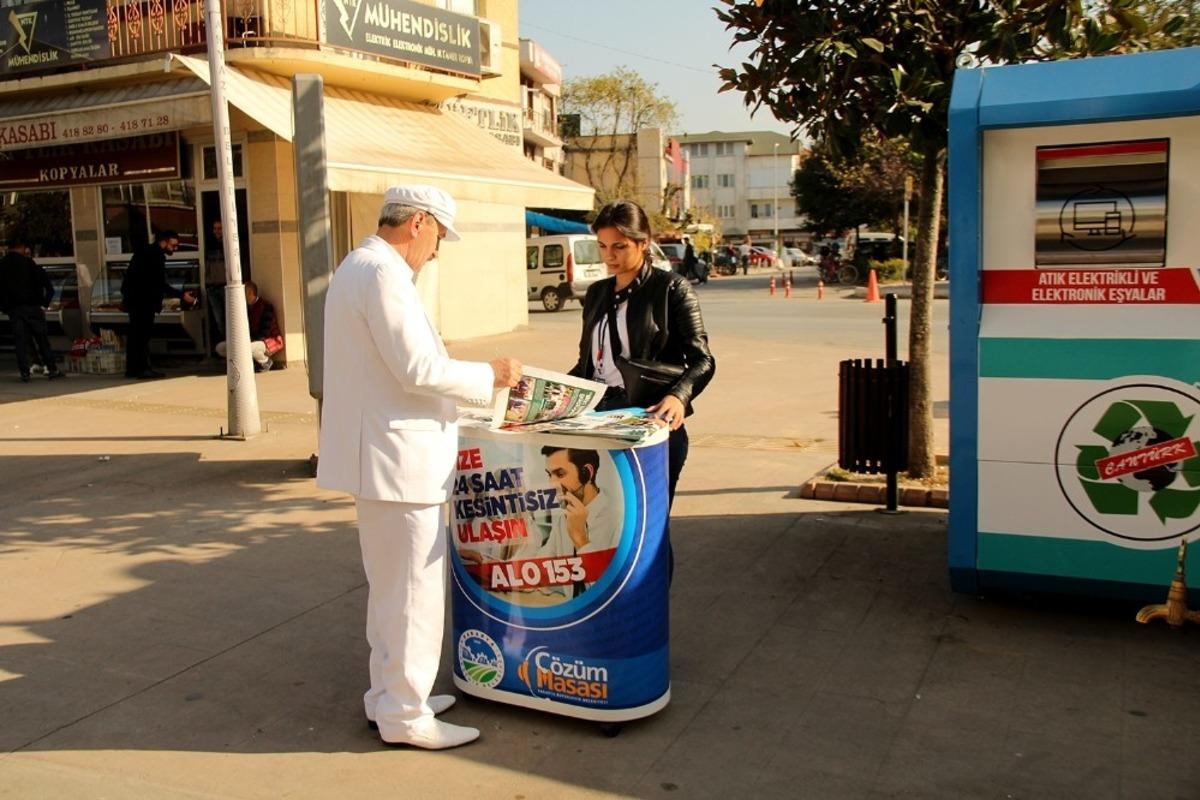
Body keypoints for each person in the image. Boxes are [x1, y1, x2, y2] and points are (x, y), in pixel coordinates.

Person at [316, 184, 521, 751]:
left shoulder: (359, 267)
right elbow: (417, 368)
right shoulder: (382, 275)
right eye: (438, 240)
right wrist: (490, 375)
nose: (436, 253)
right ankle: (406, 717)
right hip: (400, 463)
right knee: (413, 596)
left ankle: (389, 698)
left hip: (384, 458)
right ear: (419, 224)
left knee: (391, 594)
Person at [568, 200, 715, 510]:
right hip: (598, 423)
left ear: (643, 243)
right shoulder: (596, 293)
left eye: (619, 246)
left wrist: (678, 396)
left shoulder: (672, 289)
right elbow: (588, 365)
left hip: (649, 424)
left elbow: (703, 360)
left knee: (648, 532)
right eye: (602, 246)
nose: (609, 256)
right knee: (604, 528)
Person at [121, 230, 194, 380]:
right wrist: (181, 295)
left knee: (135, 335)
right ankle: (143, 368)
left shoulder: (144, 251)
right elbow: (159, 283)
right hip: (143, 302)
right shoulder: (156, 256)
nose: (175, 248)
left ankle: (132, 368)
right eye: (173, 245)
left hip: (135, 300)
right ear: (164, 241)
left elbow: (131, 278)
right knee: (142, 335)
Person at [0, 239, 62, 382]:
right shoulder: (29, 264)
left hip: (14, 309)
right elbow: (47, 286)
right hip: (33, 307)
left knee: (20, 341)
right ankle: (51, 368)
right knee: (41, 339)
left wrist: (5, 307)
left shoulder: (2, 265)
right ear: (21, 247)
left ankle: (24, 372)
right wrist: (43, 304)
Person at [214, 280, 283, 372]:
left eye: (244, 293)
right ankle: (249, 362)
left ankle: (265, 361)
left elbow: (264, 332)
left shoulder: (266, 306)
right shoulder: (244, 307)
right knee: (220, 347)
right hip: (249, 340)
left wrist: (246, 341)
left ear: (250, 293)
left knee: (245, 348)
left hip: (268, 340)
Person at [204, 220, 228, 348]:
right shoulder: (208, 245)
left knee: (230, 317)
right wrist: (207, 283)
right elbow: (207, 266)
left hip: (226, 286)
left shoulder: (230, 244)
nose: (217, 232)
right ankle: (225, 345)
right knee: (219, 320)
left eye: (219, 228)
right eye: (215, 229)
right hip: (213, 287)